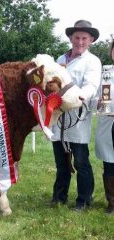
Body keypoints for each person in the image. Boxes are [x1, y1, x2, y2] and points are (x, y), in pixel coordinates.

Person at [51, 20, 102, 211]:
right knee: (61, 161)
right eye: (76, 37)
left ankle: (83, 200)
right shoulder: (60, 59)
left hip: (78, 116)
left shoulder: (92, 61)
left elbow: (91, 85)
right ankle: (59, 197)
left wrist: (82, 96)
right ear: (71, 38)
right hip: (59, 116)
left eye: (84, 38)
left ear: (90, 40)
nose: (79, 41)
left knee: (81, 161)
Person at [95, 40, 114, 214]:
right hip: (108, 123)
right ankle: (112, 203)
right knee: (110, 163)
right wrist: (99, 103)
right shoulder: (106, 74)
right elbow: (96, 102)